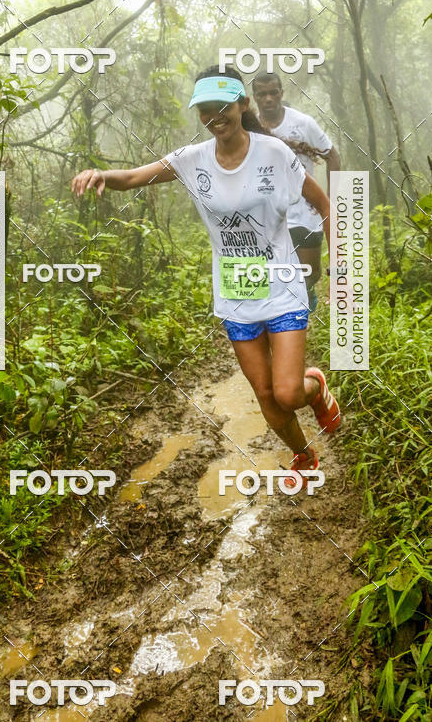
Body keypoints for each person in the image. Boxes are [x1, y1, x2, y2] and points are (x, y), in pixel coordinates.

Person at [71, 65, 340, 485]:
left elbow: (321, 201)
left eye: (223, 106)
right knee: (265, 394)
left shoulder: (273, 152)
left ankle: (314, 387)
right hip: (236, 292)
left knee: (288, 392)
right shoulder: (192, 160)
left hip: (282, 285)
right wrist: (101, 175)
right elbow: (135, 177)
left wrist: (340, 251)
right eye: (205, 110)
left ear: (241, 105)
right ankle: (303, 455)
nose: (214, 116)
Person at [252, 72, 341, 312]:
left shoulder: (303, 123)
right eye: (262, 94)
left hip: (305, 212)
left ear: (281, 93)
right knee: (273, 276)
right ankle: (283, 318)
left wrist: (329, 199)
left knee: (310, 273)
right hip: (269, 215)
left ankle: (307, 291)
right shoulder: (250, 129)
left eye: (273, 92)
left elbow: (332, 155)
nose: (268, 98)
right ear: (255, 98)